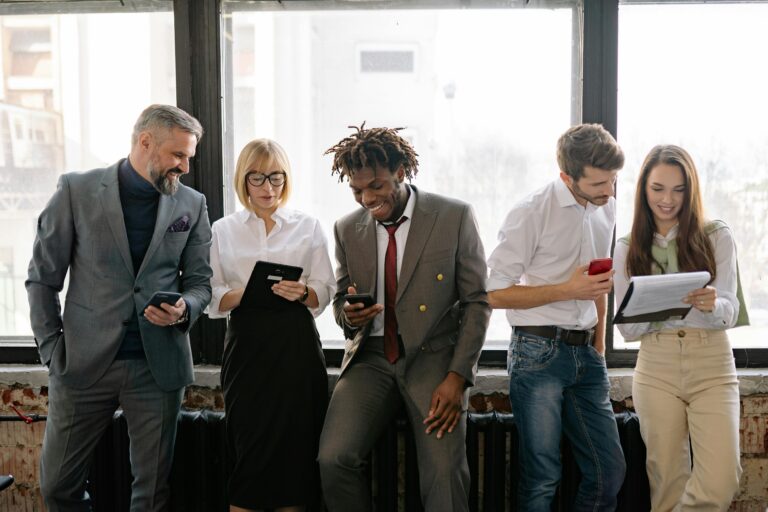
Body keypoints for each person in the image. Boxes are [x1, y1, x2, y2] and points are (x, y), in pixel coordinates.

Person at [26, 104, 212, 511]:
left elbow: (200, 284)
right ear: (145, 142)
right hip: (81, 366)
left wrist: (184, 310)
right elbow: (42, 278)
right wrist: (52, 352)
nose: (184, 166)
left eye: (189, 157)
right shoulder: (76, 190)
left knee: (151, 496)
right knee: (57, 486)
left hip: (157, 366)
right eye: (178, 155)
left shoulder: (192, 205)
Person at [317, 124, 490, 512]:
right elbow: (343, 314)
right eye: (357, 190)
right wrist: (349, 315)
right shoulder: (346, 229)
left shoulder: (453, 215)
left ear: (401, 171)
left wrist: (457, 377)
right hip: (370, 360)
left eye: (376, 186)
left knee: (444, 476)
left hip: (434, 361)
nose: (367, 198)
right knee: (333, 459)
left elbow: (477, 302)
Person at [486, 123, 627, 511]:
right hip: (537, 353)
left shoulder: (606, 206)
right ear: (567, 177)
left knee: (609, 472)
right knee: (542, 479)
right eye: (600, 183)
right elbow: (493, 292)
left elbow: (596, 281)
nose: (610, 191)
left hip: (587, 354)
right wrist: (568, 290)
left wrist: (598, 345)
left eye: (613, 180)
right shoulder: (531, 211)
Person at [613, 144, 744, 511]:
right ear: (643, 190)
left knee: (721, 479)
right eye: (658, 189)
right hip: (657, 365)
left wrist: (712, 304)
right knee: (667, 482)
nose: (667, 199)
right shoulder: (627, 248)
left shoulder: (716, 235)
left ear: (691, 190)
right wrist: (658, 307)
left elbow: (729, 311)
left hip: (712, 364)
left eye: (678, 189)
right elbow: (627, 330)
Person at [207, 139, 335, 512]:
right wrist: (246, 292)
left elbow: (326, 290)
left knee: (296, 456)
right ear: (243, 180)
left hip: (295, 346)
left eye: (276, 178)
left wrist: (302, 291)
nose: (268, 189)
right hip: (247, 346)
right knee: (249, 450)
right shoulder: (223, 229)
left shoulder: (307, 226)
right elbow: (211, 295)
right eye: (258, 179)